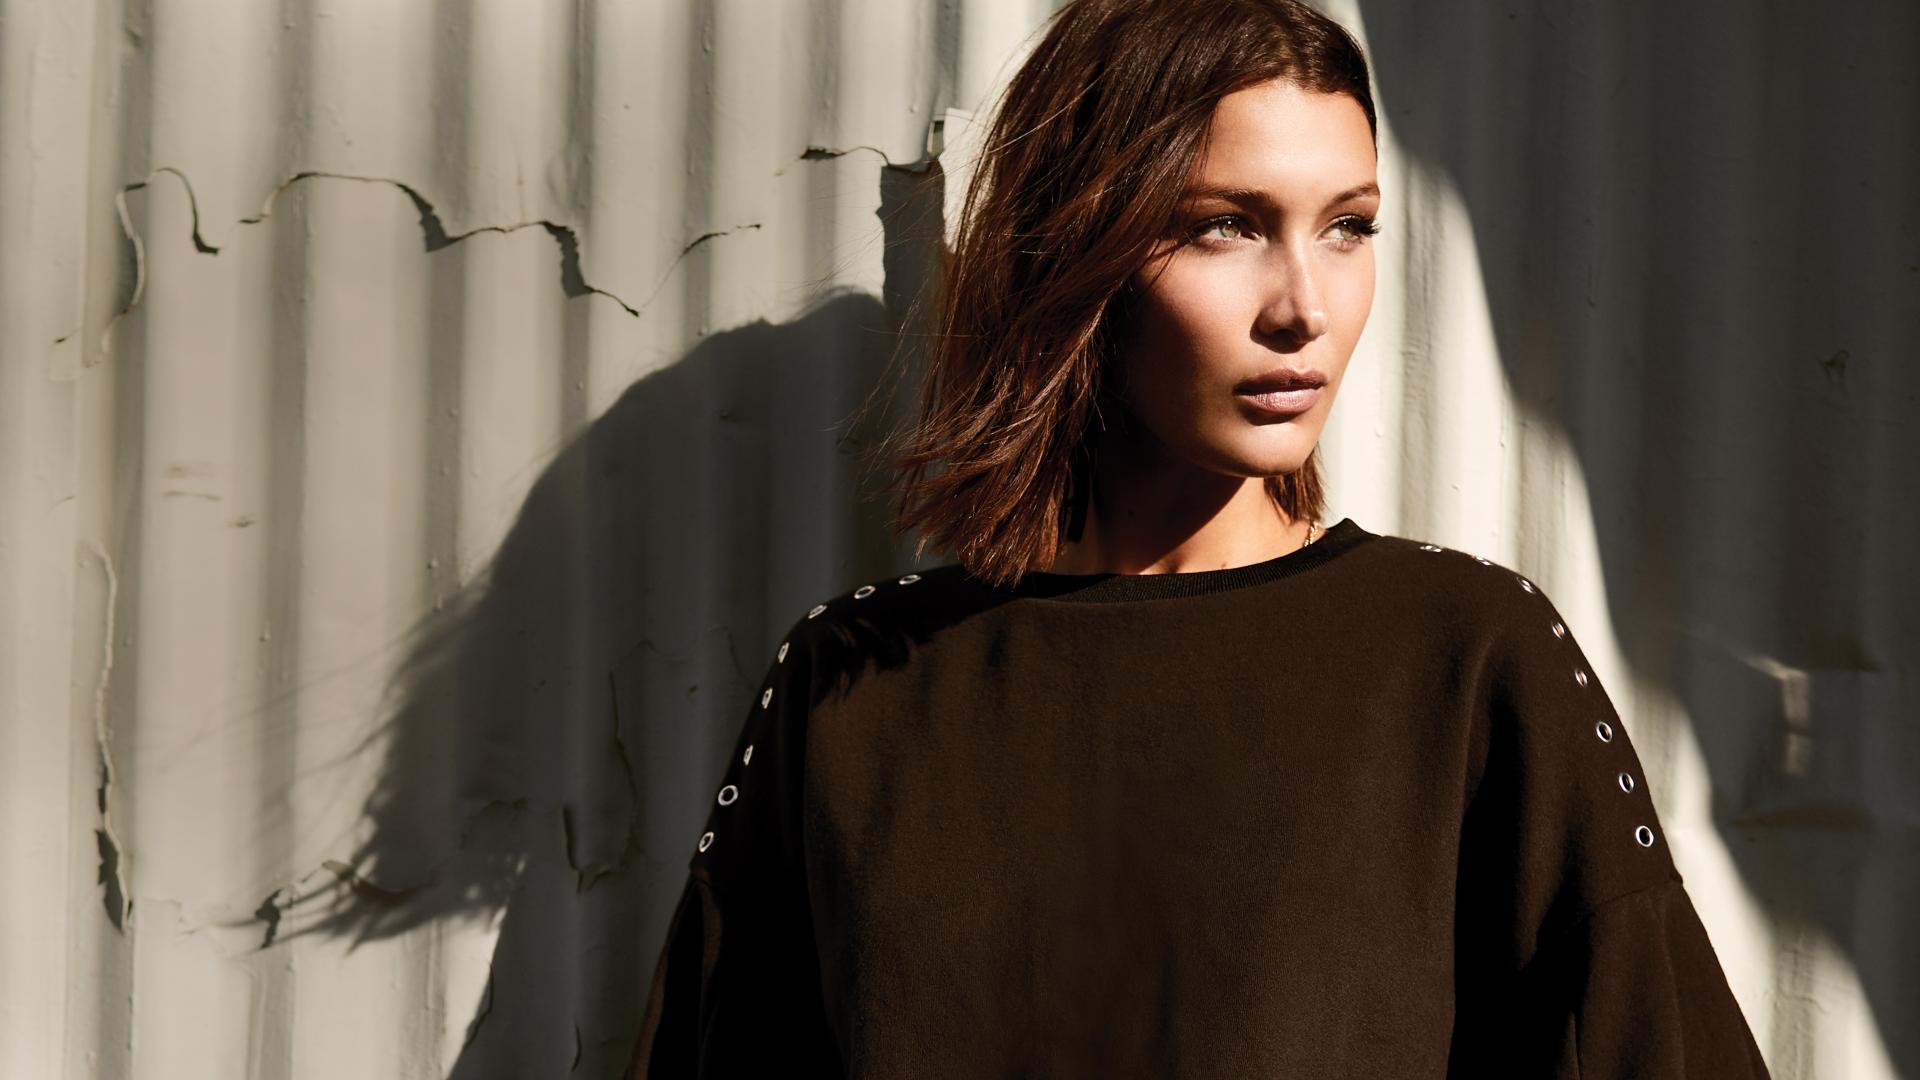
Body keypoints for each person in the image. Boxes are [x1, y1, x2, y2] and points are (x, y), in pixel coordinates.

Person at [628, 0, 1772, 1075]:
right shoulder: (850, 689)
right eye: (1226, 226)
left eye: (1348, 227)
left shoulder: (1469, 659)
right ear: (1073, 246)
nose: (1305, 308)